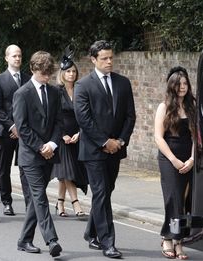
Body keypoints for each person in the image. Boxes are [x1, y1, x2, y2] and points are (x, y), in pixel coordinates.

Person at [74, 40, 136, 258]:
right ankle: (107, 242)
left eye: (111, 57)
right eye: (104, 58)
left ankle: (91, 231)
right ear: (93, 60)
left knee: (105, 192)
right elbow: (84, 119)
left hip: (116, 149)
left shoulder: (123, 83)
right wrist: (104, 142)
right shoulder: (83, 85)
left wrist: (120, 141)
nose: (109, 61)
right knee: (100, 192)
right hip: (93, 151)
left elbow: (130, 116)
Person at [13, 51, 63, 257]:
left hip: (49, 153)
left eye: (49, 74)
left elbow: (59, 122)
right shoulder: (22, 94)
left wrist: (52, 144)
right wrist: (41, 146)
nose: (47, 77)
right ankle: (52, 240)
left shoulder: (54, 92)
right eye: (44, 74)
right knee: (40, 197)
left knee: (35, 199)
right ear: (33, 70)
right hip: (31, 156)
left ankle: (24, 239)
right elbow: (22, 127)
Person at [154, 66, 195, 260]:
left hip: (189, 158)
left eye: (185, 84)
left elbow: (197, 137)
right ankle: (171, 239)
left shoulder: (191, 106)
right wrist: (174, 160)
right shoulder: (164, 107)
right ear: (172, 86)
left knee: (184, 202)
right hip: (169, 158)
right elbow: (158, 137)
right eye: (179, 84)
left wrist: (192, 159)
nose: (182, 87)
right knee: (173, 201)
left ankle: (176, 239)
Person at [0, 44, 32, 215]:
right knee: (4, 168)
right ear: (6, 58)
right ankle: (7, 201)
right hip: (5, 131)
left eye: (19, 56)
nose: (17, 58)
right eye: (14, 56)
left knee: (26, 167)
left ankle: (30, 203)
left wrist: (22, 127)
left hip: (25, 132)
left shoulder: (28, 78)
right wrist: (12, 126)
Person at [51, 50, 88, 217]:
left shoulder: (81, 90)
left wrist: (80, 133)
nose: (71, 74)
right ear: (62, 73)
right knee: (67, 170)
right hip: (62, 136)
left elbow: (86, 114)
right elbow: (53, 116)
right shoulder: (56, 92)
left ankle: (59, 202)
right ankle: (76, 204)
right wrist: (62, 135)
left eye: (73, 71)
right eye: (68, 71)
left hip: (77, 136)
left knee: (68, 171)